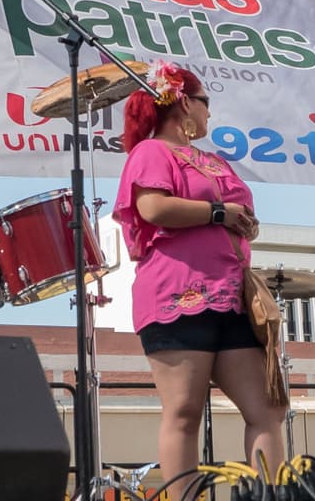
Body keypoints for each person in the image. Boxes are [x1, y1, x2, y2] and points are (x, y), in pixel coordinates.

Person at [112, 60, 285, 499]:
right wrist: (219, 213)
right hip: (177, 294)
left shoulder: (212, 160)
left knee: (266, 408)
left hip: (231, 297)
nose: (209, 113)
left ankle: (271, 494)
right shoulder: (151, 152)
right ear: (184, 102)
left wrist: (245, 223)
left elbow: (238, 211)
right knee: (185, 411)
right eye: (206, 102)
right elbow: (153, 208)